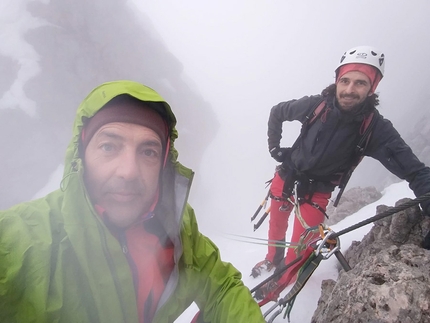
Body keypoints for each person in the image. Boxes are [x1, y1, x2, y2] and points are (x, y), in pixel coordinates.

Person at [0, 80, 265, 323]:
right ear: (81, 155)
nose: (128, 171)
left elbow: (220, 284)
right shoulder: (17, 240)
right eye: (109, 146)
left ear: (163, 166)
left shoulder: (176, 229)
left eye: (148, 152)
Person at [252, 46, 430, 295]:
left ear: (372, 88)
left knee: (300, 248)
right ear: (337, 81)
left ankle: (282, 282)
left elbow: (415, 172)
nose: (349, 90)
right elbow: (278, 112)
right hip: (287, 174)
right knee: (276, 225)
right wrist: (275, 148)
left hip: (317, 193)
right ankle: (272, 259)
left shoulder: (375, 130)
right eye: (345, 81)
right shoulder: (316, 105)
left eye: (360, 83)